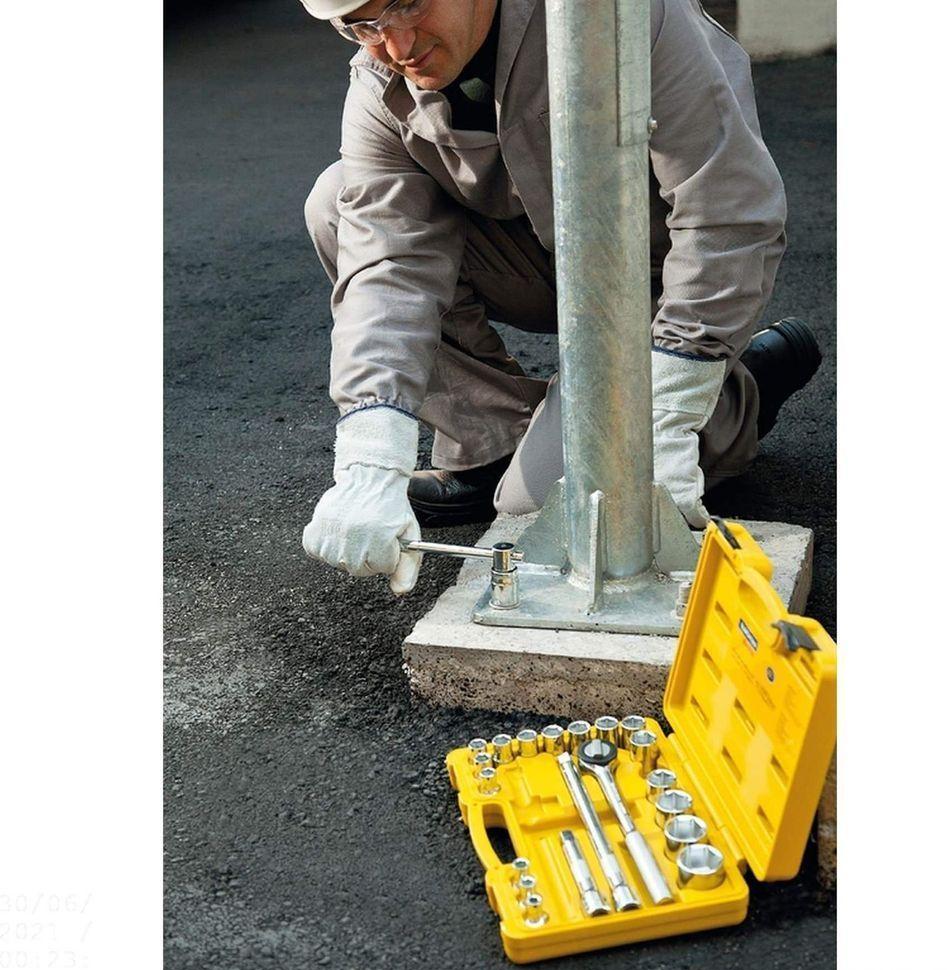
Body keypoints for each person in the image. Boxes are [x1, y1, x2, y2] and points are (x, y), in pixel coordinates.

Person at [299, 0, 821, 594]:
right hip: (541, 265)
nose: (395, 46)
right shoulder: (380, 81)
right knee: (338, 204)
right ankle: (494, 440)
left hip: (650, 279)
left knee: (550, 499)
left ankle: (734, 391)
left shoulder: (620, 15)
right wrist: (369, 457)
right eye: (361, 24)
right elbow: (388, 265)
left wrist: (670, 408)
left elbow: (727, 211)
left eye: (406, 4)